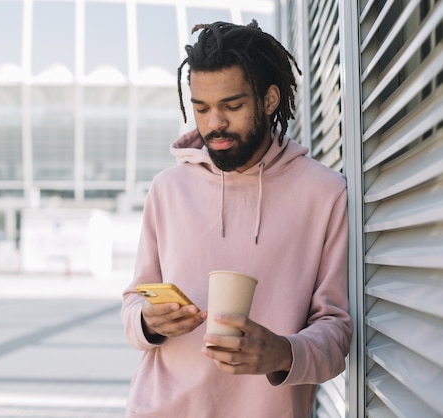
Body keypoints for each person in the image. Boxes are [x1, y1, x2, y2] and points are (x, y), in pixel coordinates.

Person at [121, 20, 353, 418]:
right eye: (201, 108)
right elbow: (133, 303)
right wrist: (149, 321)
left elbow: (337, 331)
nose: (214, 124)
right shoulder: (167, 188)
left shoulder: (325, 193)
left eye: (231, 106)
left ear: (269, 100)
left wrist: (283, 352)